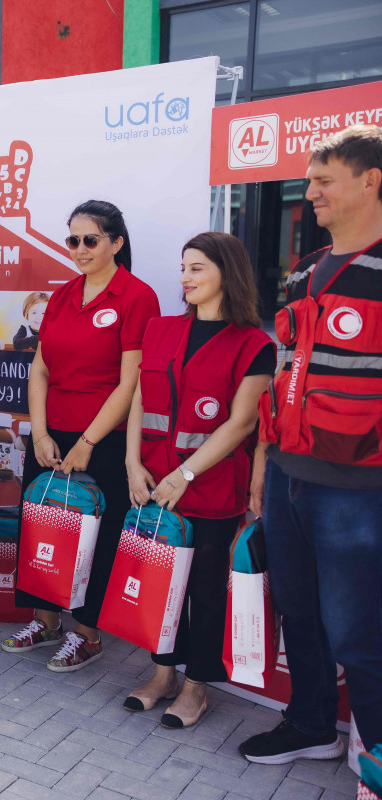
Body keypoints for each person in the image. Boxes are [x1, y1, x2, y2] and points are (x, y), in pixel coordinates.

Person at [241, 124, 382, 765]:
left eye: (324, 181)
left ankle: (375, 753)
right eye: (310, 180)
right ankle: (313, 725)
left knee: (358, 630)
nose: (311, 193)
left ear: (370, 181)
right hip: (287, 476)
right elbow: (284, 375)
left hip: (358, 489)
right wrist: (263, 467)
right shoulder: (302, 272)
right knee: (297, 612)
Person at [123, 232, 274, 727]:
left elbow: (241, 423)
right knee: (160, 586)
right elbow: (141, 399)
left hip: (208, 489)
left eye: (197, 269)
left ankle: (196, 687)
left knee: (204, 594)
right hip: (152, 485)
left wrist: (185, 473)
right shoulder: (160, 329)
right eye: (183, 267)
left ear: (226, 275)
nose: (184, 278)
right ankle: (163, 674)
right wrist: (131, 462)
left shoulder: (254, 344)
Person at [4, 200, 160, 671]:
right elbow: (40, 370)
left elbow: (130, 383)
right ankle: (45, 620)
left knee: (97, 536)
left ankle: (87, 634)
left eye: (90, 239)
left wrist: (88, 442)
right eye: (72, 239)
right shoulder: (63, 294)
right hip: (52, 435)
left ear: (117, 242)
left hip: (104, 439)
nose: (79, 249)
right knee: (42, 526)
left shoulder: (137, 296)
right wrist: (41, 432)